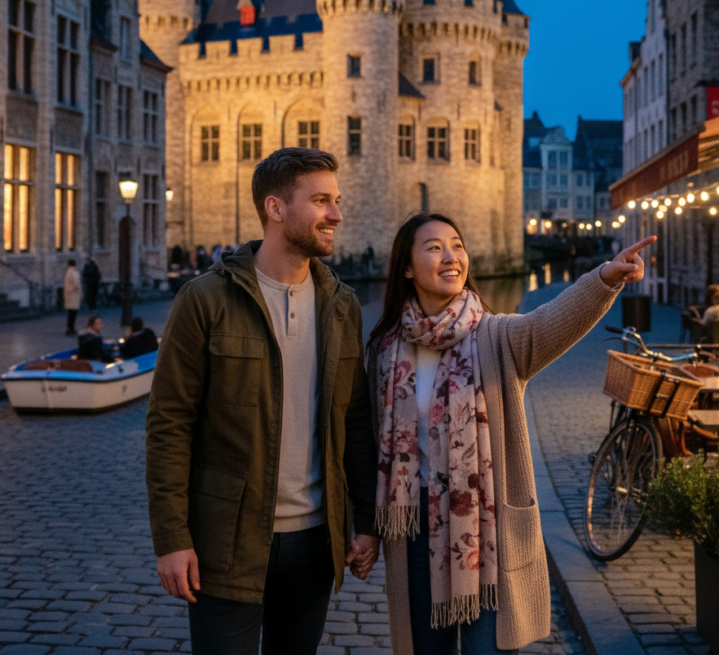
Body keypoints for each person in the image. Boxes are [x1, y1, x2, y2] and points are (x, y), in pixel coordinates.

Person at [365, 211, 654, 655]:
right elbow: (368, 445)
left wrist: (604, 279)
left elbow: (553, 320)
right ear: (406, 267)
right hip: (416, 531)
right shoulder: (386, 349)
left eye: (458, 245)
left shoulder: (497, 337)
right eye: (435, 247)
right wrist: (363, 526)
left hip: (488, 532)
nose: (451, 256)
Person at [146, 148, 379, 655]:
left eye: (336, 201)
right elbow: (170, 424)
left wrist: (366, 521)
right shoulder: (205, 299)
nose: (336, 215)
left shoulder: (341, 305)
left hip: (316, 543)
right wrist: (171, 538)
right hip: (225, 542)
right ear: (275, 208)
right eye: (321, 201)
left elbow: (354, 419)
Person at [63, 259, 82, 335]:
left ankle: (70, 327)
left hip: (68, 295)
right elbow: (76, 284)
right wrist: (80, 293)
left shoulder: (68, 272)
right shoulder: (74, 273)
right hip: (74, 295)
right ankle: (71, 328)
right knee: (73, 313)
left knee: (70, 313)